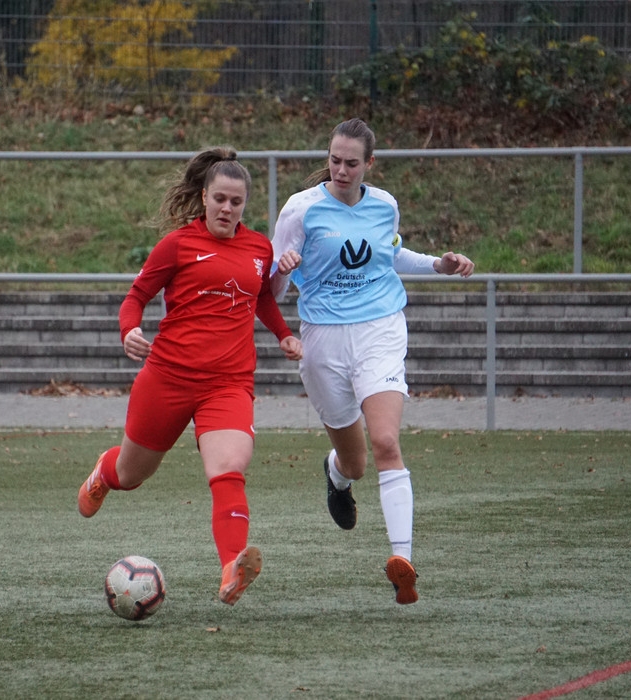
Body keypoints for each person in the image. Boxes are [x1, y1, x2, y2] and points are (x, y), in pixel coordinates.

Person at [77, 147, 303, 606]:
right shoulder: (178, 245)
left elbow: (260, 296)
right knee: (132, 473)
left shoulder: (259, 248)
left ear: (245, 204)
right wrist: (129, 331)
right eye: (219, 199)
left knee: (229, 467)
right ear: (203, 197)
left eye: (236, 202)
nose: (227, 209)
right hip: (168, 377)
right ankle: (105, 472)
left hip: (229, 383)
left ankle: (232, 567)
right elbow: (136, 296)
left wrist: (283, 334)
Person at [270, 118, 474, 605]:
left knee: (385, 441)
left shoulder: (384, 205)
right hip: (323, 340)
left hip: (380, 329)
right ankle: (336, 475)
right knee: (356, 462)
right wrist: (282, 270)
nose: (341, 170)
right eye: (334, 161)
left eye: (351, 163)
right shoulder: (300, 209)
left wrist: (439, 265)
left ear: (370, 164)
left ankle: (403, 562)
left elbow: (390, 255)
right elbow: (271, 291)